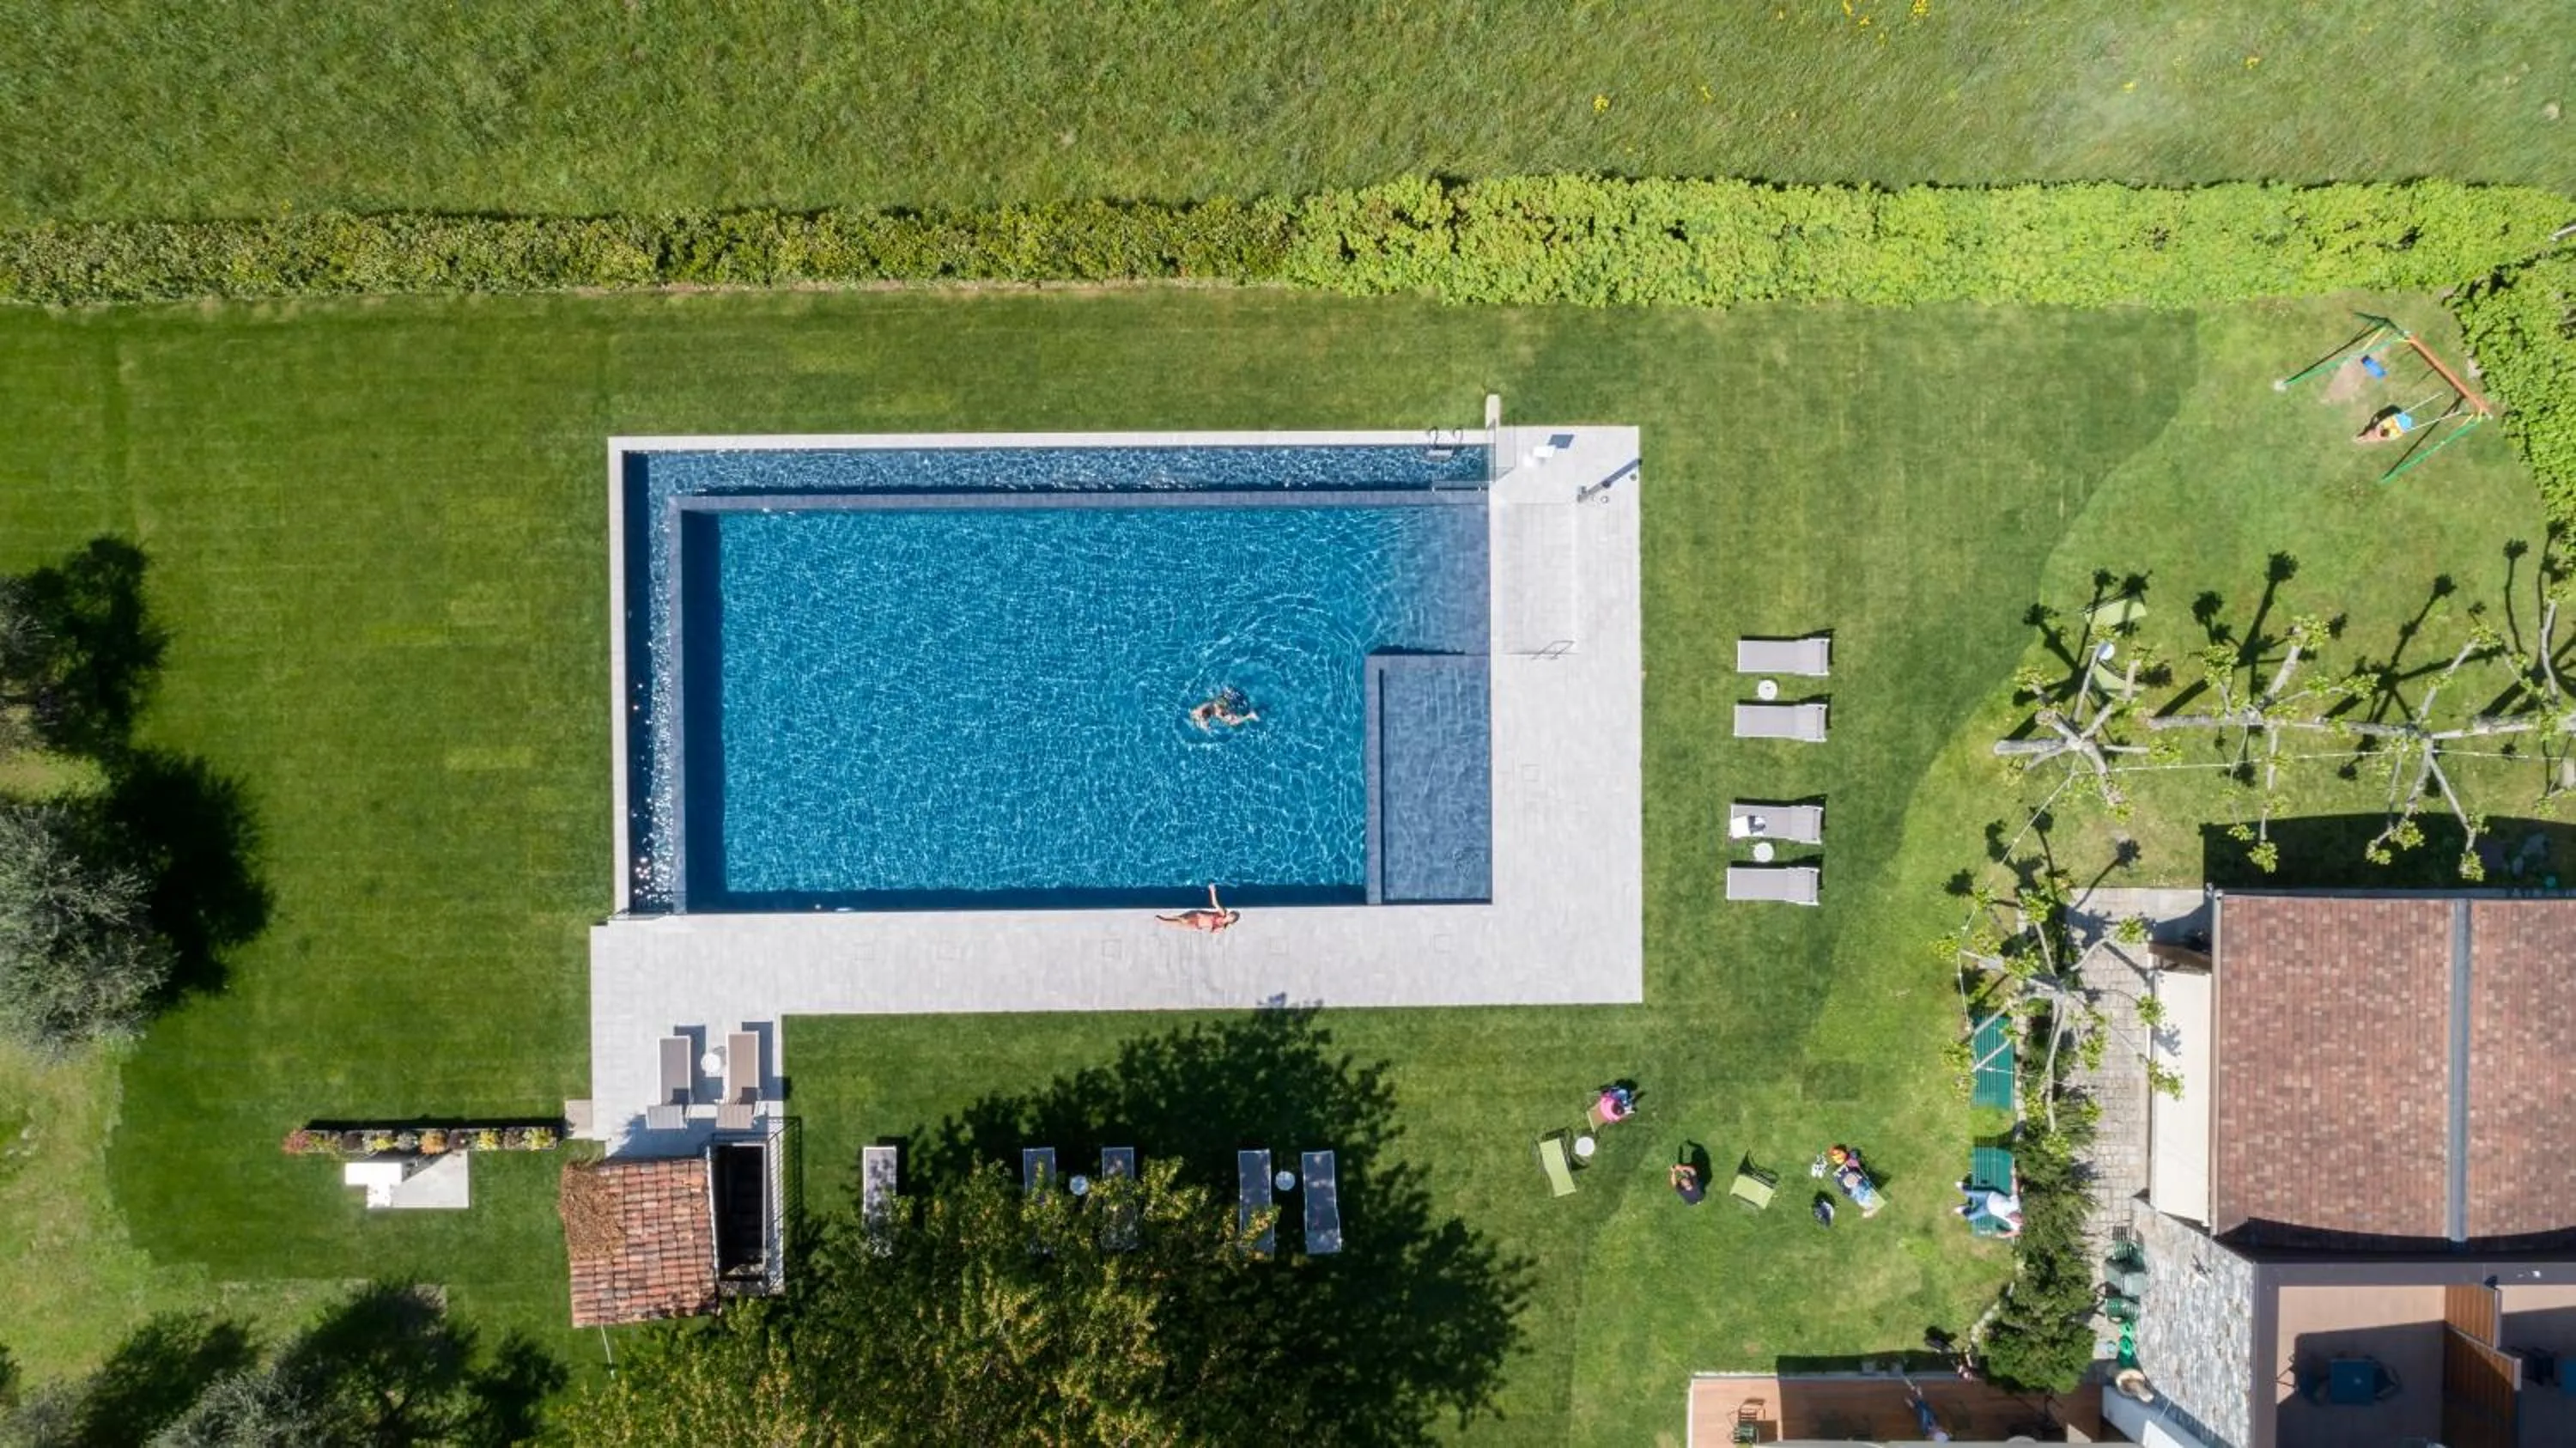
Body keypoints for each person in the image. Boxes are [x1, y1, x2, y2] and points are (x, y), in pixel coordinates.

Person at [1156, 884, 1239, 933]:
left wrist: (1202, 928)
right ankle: (1164, 919)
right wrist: (1213, 891)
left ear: (1231, 922)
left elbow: (1211, 932)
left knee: (1179, 923)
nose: (1229, 916)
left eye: (1231, 917)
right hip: (1197, 915)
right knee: (1182, 919)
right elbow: (1215, 903)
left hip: (1198, 925)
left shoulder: (1221, 927)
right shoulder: (1222, 913)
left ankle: (1164, 921)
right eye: (1231, 914)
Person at [1190, 688, 1259, 730]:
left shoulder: (1213, 710)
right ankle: (1249, 715)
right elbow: (1195, 712)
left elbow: (1197, 712)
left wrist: (1203, 723)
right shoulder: (1208, 708)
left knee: (1231, 722)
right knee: (1231, 721)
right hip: (1227, 697)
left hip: (1230, 700)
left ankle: (1250, 715)